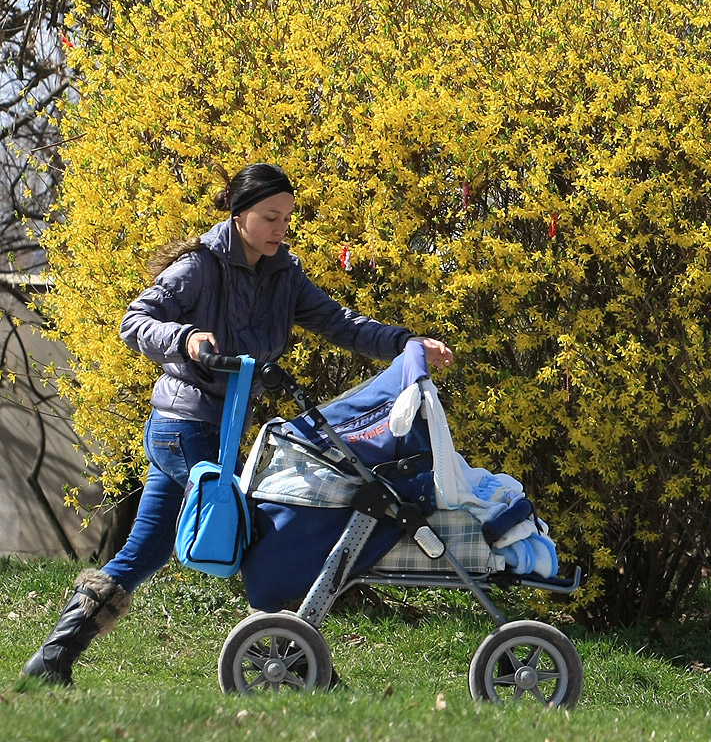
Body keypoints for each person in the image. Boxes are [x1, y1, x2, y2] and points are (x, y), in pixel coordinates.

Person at [21, 163, 454, 686]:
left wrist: (410, 343)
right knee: (255, 529)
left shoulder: (284, 274)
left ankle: (49, 662)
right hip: (181, 426)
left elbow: (342, 324)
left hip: (217, 431)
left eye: (286, 219)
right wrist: (185, 339)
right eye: (270, 217)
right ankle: (302, 667)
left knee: (144, 551)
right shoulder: (200, 267)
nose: (280, 229)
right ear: (241, 214)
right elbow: (134, 322)